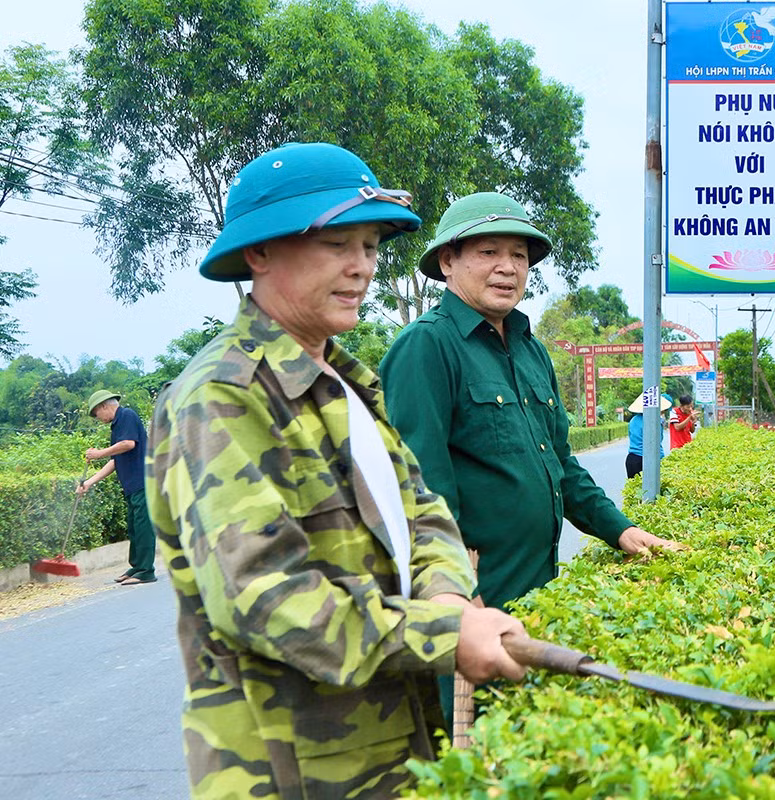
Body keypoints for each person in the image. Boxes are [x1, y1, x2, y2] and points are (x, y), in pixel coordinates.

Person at [144, 143, 527, 799]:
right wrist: (443, 633)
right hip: (291, 774)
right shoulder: (223, 398)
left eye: (371, 247)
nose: (361, 267)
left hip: (392, 753)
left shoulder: (345, 381)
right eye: (336, 245)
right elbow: (265, 598)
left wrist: (446, 596)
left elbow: (422, 511)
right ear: (259, 253)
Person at [379, 191, 679, 613]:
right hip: (476, 602)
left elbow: (561, 465)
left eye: (519, 255)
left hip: (538, 592)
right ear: (448, 261)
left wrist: (621, 530)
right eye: (489, 252)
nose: (508, 267)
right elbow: (421, 489)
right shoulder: (426, 345)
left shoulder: (531, 351)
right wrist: (458, 595)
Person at [77, 390, 156, 585]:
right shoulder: (117, 426)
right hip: (132, 486)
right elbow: (114, 461)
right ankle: (137, 567)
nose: (98, 418)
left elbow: (128, 444)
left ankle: (146, 571)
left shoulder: (127, 415)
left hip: (143, 482)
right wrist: (89, 482)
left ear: (104, 406)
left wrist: (99, 453)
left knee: (143, 527)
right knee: (134, 527)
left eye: (96, 414)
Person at [625, 393, 669, 479]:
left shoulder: (633, 420)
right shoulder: (654, 421)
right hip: (647, 460)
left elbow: (631, 436)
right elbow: (657, 443)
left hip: (632, 459)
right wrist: (662, 460)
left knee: (634, 486)